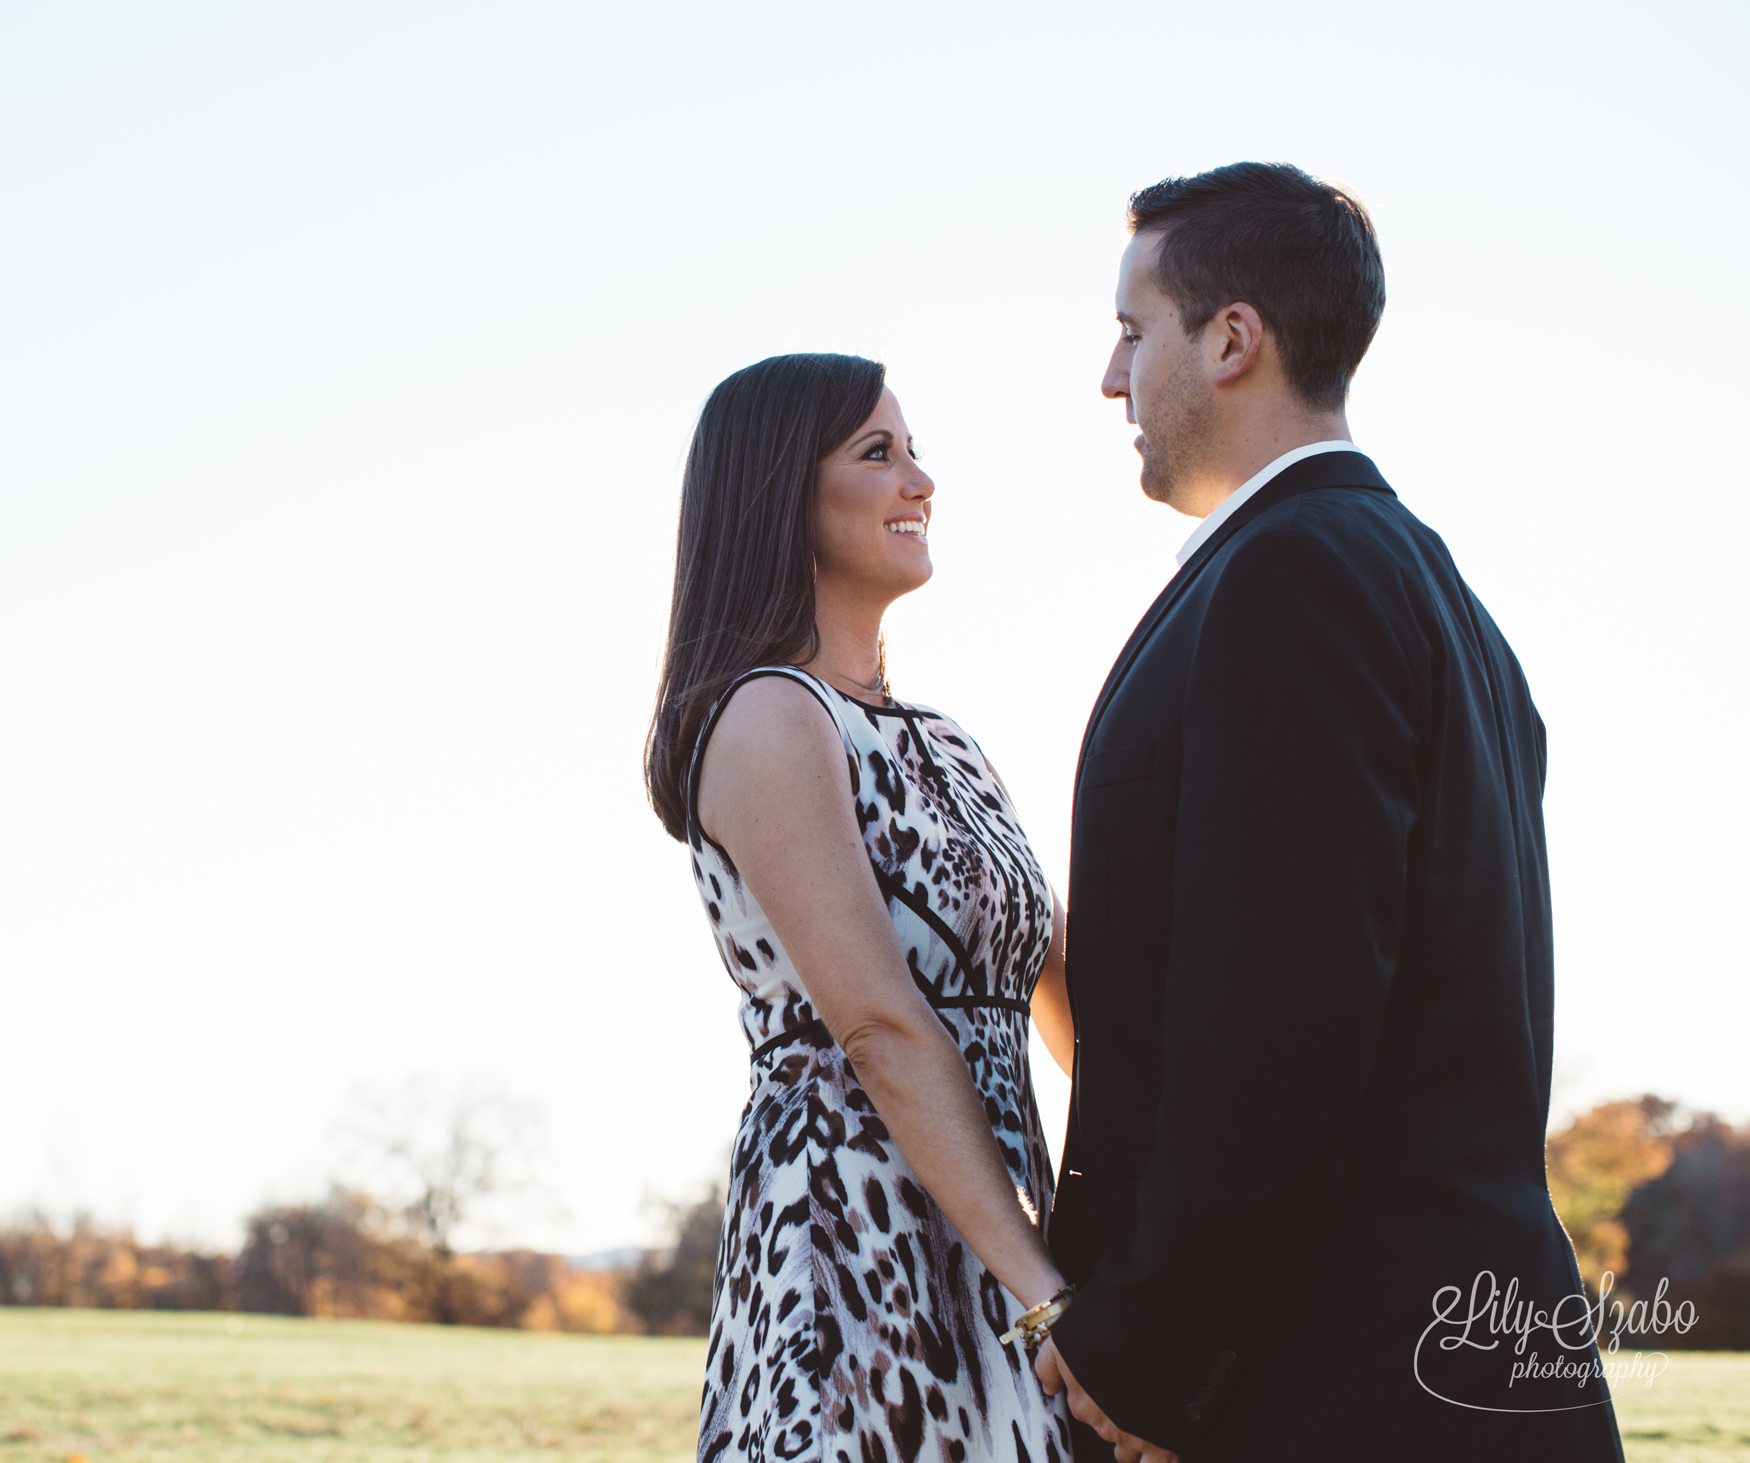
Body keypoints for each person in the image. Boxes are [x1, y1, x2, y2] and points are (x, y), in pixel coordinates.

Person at [1033, 163, 1627, 1463]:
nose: (1109, 377)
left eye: (1133, 331)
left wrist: (1146, 1349)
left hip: (1335, 1387)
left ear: (1231, 337)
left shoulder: (1289, 579)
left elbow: (1279, 1028)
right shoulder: (1435, 594)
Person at [646, 353, 1077, 1463]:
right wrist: (1042, 1289)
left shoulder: (951, 743)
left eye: (915, 448)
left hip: (1002, 1241)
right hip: (851, 1261)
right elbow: (879, 1029)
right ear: (781, 493)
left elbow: (1070, 1002)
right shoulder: (768, 718)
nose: (919, 479)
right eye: (877, 453)